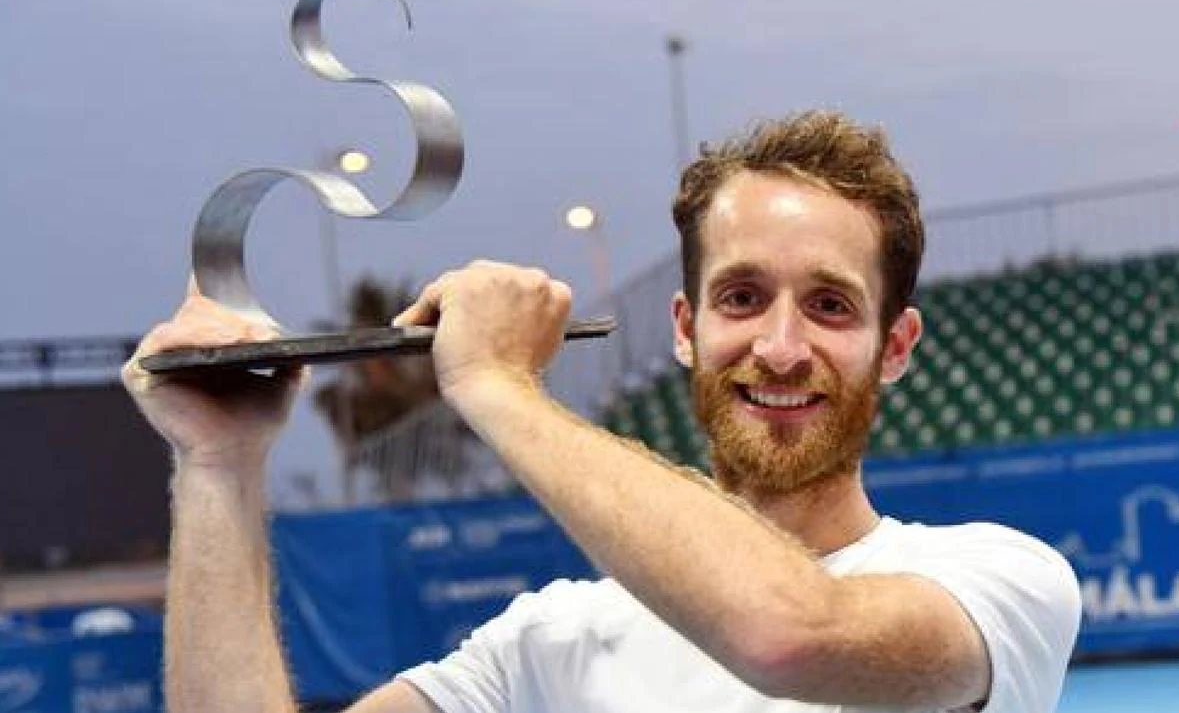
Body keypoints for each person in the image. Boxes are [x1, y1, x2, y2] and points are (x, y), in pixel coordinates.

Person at [123, 111, 1081, 713]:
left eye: (830, 305)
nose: (781, 348)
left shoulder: (995, 580)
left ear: (897, 346)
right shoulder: (548, 643)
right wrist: (219, 469)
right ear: (685, 328)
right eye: (741, 297)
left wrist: (498, 385)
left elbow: (792, 636)